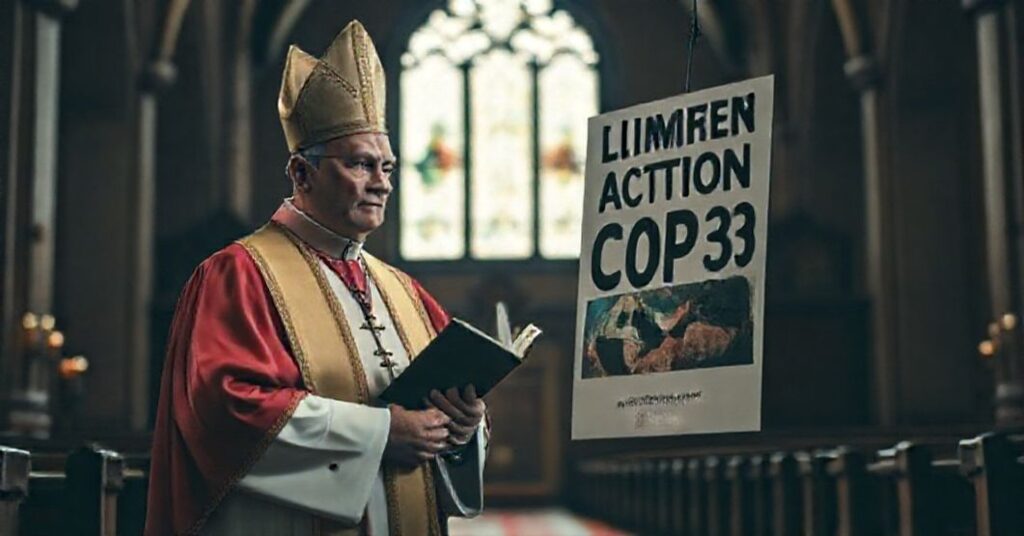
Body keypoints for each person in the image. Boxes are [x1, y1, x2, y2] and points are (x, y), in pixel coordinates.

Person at [145, 20, 488, 536]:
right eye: (361, 165)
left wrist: (464, 427)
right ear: (302, 174)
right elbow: (224, 407)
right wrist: (379, 433)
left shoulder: (404, 291)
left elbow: (444, 410)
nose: (381, 184)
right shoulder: (239, 274)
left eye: (388, 168)